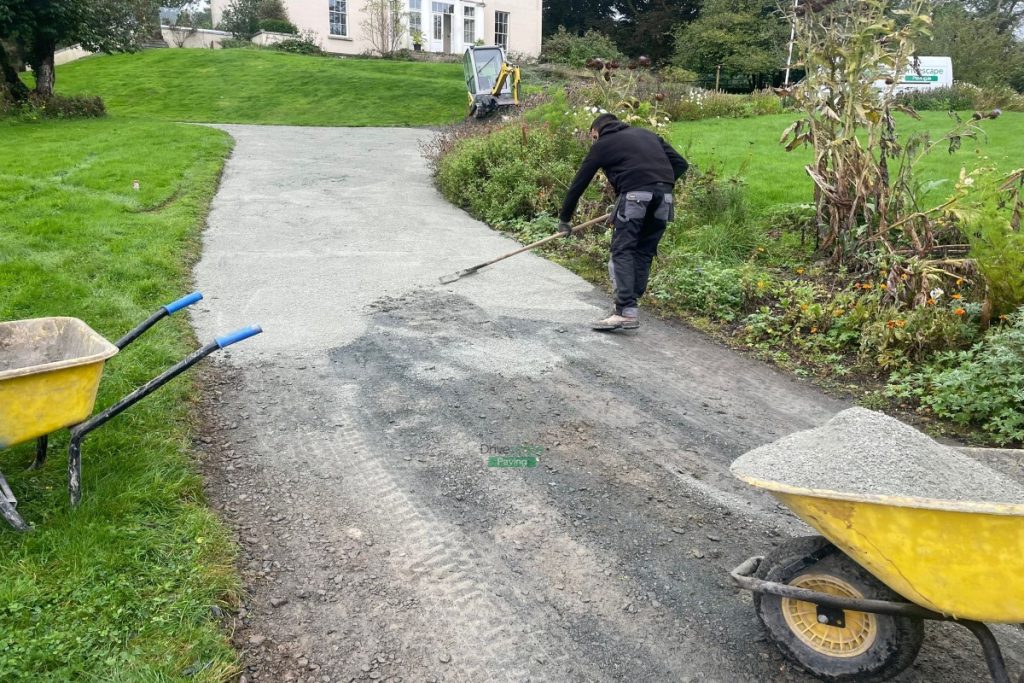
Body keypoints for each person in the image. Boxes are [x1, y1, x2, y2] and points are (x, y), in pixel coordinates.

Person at [558, 113, 688, 331]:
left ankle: (625, 311)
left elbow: (579, 183)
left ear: (596, 132)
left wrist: (564, 218)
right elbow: (681, 164)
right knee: (644, 250)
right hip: (664, 197)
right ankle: (630, 305)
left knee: (623, 250)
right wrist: (656, 185)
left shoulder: (603, 145)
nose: (593, 140)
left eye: (592, 137)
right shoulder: (647, 134)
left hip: (635, 197)